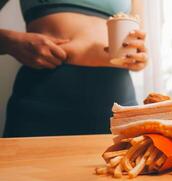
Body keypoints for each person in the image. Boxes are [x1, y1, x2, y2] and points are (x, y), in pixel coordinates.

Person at [0, 0, 147, 137]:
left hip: (118, 100)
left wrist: (140, 58)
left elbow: (137, 38)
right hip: (43, 94)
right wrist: (11, 41)